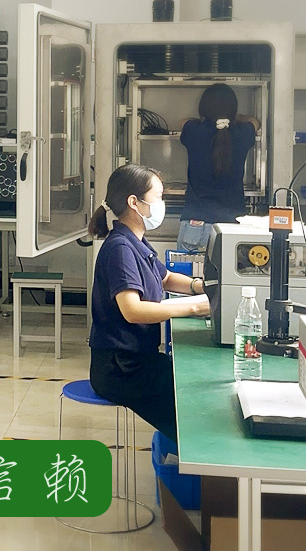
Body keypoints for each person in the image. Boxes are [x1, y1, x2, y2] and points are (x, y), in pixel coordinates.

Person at [89, 163, 212, 441]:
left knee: (190, 385)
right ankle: (191, 457)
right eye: (158, 197)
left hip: (137, 360)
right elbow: (132, 310)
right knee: (194, 406)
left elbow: (165, 277)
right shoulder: (120, 248)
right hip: (120, 368)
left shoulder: (135, 241)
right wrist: (195, 307)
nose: (161, 204)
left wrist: (201, 287)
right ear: (134, 202)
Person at [176, 83, 259, 251]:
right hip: (232, 225)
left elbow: (183, 121)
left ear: (203, 109)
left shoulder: (194, 130)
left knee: (188, 270)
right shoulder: (242, 133)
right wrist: (236, 118)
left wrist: (207, 120)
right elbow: (255, 122)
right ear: (233, 110)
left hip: (196, 224)